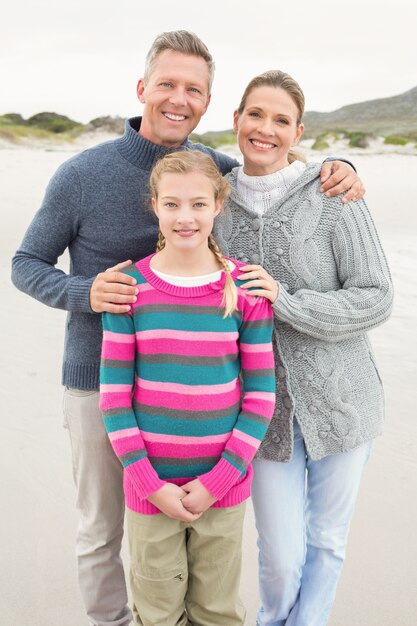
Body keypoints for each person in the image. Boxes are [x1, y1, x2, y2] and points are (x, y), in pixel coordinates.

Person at [11, 29, 364, 626]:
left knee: (204, 567)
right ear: (142, 87)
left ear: (206, 102)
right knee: (103, 529)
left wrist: (340, 165)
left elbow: (276, 169)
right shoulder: (80, 174)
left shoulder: (210, 170)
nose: (178, 98)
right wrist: (85, 292)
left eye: (193, 89)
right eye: (167, 83)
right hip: (102, 379)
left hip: (198, 391)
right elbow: (25, 265)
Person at [212, 69, 394, 626]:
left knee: (327, 542)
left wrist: (286, 301)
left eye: (281, 120)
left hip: (343, 404)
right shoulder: (215, 203)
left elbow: (377, 297)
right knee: (281, 556)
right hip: (260, 415)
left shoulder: (331, 192)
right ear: (237, 120)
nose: (265, 129)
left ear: (298, 132)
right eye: (256, 115)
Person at [99, 150, 276, 625]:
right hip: (149, 489)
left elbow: (261, 395)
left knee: (217, 610)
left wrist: (218, 482)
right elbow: (114, 399)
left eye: (198, 204)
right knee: (156, 612)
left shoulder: (243, 291)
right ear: (155, 205)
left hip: (222, 487)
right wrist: (148, 483)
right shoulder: (129, 289)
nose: (185, 217)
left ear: (219, 204)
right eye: (172, 204)